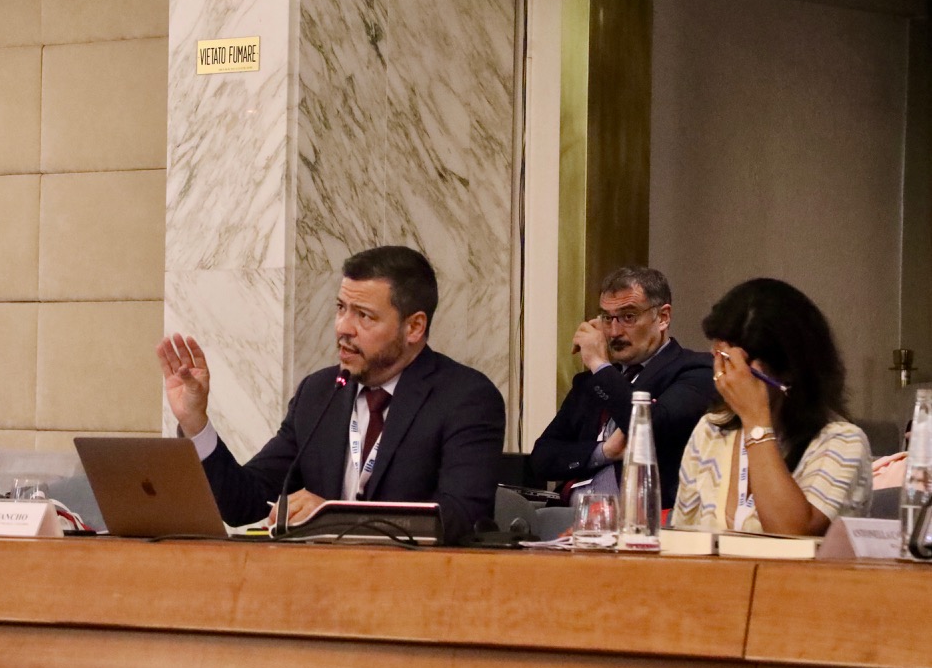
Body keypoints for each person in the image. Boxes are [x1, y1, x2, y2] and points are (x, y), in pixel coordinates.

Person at [155, 246, 506, 544]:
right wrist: (196, 422)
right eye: (341, 308)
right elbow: (244, 503)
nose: (343, 328)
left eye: (364, 316)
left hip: (414, 590)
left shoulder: (465, 398)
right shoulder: (319, 393)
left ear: (414, 327)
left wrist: (333, 517)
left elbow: (460, 517)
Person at [672, 278, 871, 535]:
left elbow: (791, 534)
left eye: (737, 366)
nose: (726, 377)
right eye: (721, 360)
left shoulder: (842, 442)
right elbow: (681, 538)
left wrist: (756, 422)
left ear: (788, 371)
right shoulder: (711, 430)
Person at [531, 267, 716, 508]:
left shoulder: (696, 370)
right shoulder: (591, 382)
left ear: (663, 317)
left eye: (628, 317)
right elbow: (541, 458)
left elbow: (651, 427)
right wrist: (604, 452)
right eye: (607, 318)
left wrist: (599, 364)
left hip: (645, 521)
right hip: (569, 517)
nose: (614, 332)